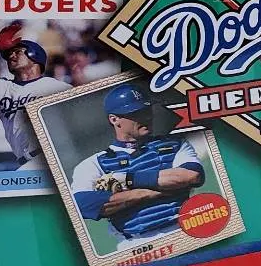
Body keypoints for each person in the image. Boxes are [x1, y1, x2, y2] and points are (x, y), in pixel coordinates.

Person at [69, 84, 205, 247]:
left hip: (183, 230)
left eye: (147, 111)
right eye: (136, 113)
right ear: (114, 119)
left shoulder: (174, 144)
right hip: (137, 244)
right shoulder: (95, 163)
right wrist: (150, 192)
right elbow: (82, 205)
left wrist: (127, 179)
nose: (146, 117)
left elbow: (192, 175)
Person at [0, 24, 71, 167]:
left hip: (56, 156)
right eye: (8, 55)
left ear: (34, 54)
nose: (11, 56)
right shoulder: (4, 88)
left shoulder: (59, 88)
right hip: (26, 162)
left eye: (17, 52)